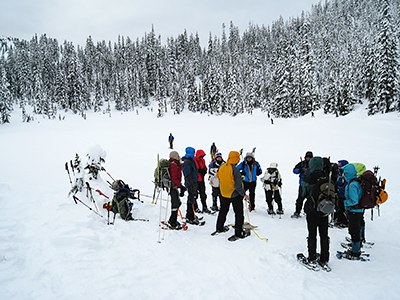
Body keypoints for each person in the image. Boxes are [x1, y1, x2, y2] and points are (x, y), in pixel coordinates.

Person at [302, 156, 331, 267]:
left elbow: (304, 193)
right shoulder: (327, 177)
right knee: (324, 235)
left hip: (312, 210)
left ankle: (312, 257)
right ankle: (324, 258)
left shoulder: (309, 178)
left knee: (312, 234)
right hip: (324, 210)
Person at [215, 151, 250, 241]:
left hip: (223, 193)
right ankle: (239, 233)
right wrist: (244, 194)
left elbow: (218, 176)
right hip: (234, 195)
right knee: (239, 214)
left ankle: (219, 227)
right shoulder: (235, 169)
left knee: (223, 211)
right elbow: (238, 186)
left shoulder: (222, 166)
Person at [342, 163, 364, 259]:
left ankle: (355, 252)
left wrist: (345, 203)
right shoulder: (356, 182)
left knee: (354, 230)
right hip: (358, 210)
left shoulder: (352, 185)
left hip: (355, 211)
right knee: (356, 229)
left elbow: (354, 200)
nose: (343, 175)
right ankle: (356, 247)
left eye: (345, 173)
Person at [166, 150, 186, 229]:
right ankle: (172, 222)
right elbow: (174, 178)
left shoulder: (175, 164)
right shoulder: (173, 165)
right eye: (177, 156)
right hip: (173, 186)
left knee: (177, 203)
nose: (179, 157)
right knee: (175, 203)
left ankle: (172, 220)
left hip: (174, 186)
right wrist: (180, 186)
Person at [182, 147, 201, 225]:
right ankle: (190, 217)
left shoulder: (190, 160)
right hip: (191, 183)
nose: (194, 154)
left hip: (193, 182)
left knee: (192, 198)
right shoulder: (187, 162)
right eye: (193, 152)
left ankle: (191, 215)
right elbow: (187, 175)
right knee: (191, 199)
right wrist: (192, 185)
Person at [291, 151, 313, 218]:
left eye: (310, 157)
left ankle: (309, 212)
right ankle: (297, 212)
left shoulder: (313, 164)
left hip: (311, 185)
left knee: (310, 200)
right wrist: (300, 170)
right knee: (300, 199)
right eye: (307, 157)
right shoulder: (302, 163)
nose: (308, 158)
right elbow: (294, 170)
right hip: (302, 184)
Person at [194, 149, 211, 213]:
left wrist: (204, 170)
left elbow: (204, 167)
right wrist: (201, 170)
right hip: (196, 180)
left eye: (202, 156)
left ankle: (204, 207)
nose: (202, 157)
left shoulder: (202, 160)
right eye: (201, 156)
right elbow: (196, 169)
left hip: (201, 179)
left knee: (203, 194)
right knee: (195, 194)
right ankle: (196, 207)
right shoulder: (194, 160)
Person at [334, 160, 349, 228]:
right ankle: (338, 219)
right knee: (338, 207)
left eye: (340, 165)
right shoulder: (339, 173)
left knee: (342, 208)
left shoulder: (345, 174)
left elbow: (341, 183)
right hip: (339, 193)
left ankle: (343, 221)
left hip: (343, 194)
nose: (338, 166)